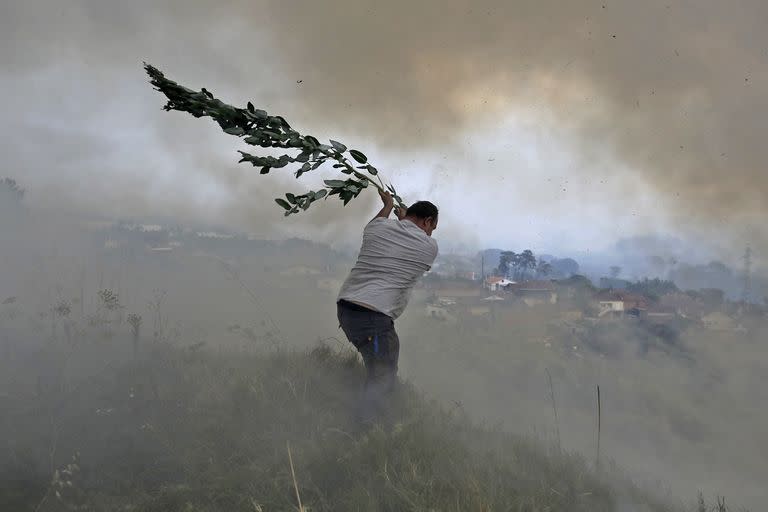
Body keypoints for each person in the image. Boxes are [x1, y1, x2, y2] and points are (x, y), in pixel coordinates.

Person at [337, 189, 439, 425]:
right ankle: (364, 434)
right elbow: (411, 240)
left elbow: (379, 224)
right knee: (382, 380)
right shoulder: (429, 247)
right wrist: (404, 219)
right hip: (374, 319)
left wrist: (387, 205)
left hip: (346, 310)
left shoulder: (376, 229)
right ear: (428, 221)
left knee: (376, 370)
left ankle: (361, 417)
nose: (431, 233)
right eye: (432, 227)